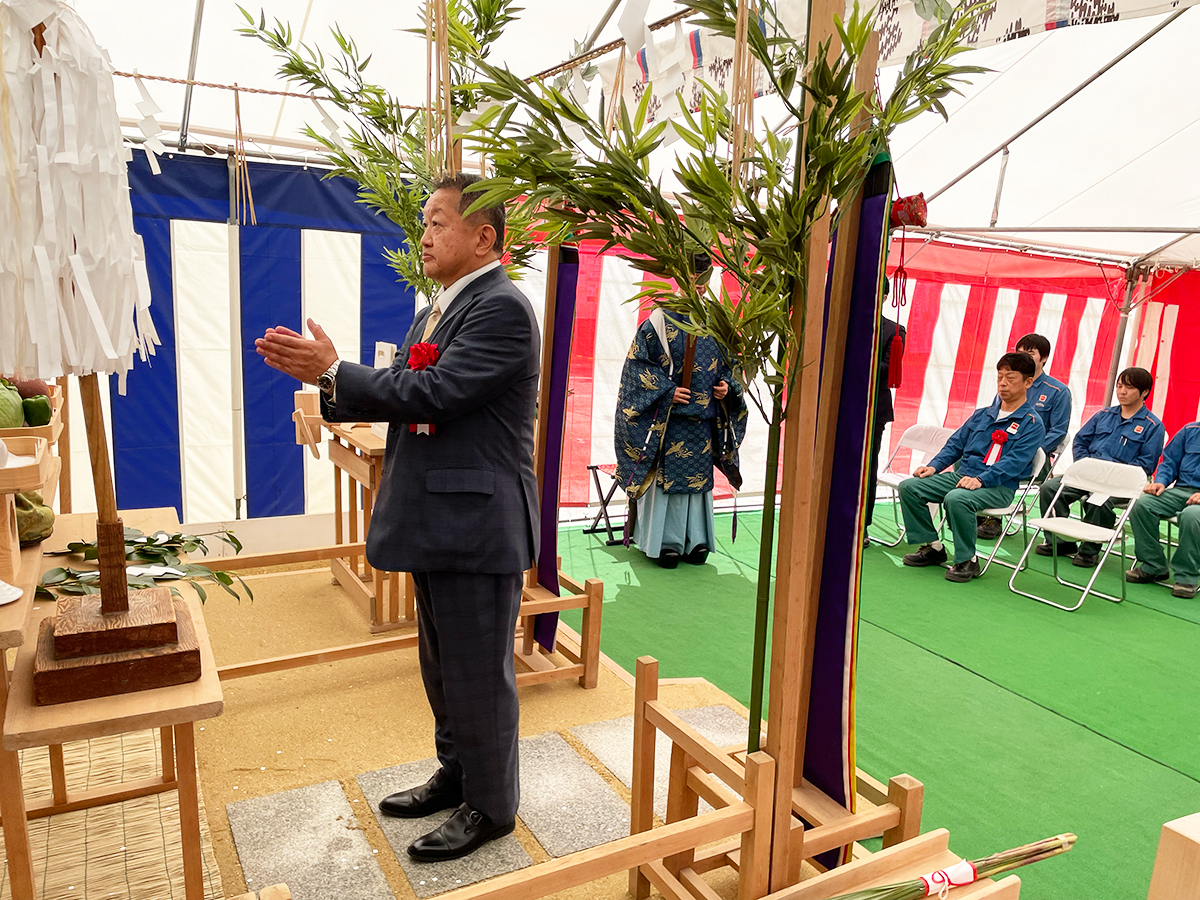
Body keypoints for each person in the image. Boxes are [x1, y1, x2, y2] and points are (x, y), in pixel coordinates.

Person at [256, 173, 539, 862]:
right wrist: (330, 380)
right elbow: (410, 391)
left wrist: (336, 369)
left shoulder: (502, 308)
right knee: (443, 669)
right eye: (425, 220)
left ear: (484, 236)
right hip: (442, 519)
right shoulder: (438, 308)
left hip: (478, 525)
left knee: (478, 674)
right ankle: (458, 773)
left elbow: (437, 391)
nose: (424, 233)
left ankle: (492, 807)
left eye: (438, 220)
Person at [614, 254, 747, 568]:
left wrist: (727, 387)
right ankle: (663, 542)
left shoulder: (718, 319)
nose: (700, 286)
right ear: (682, 276)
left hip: (703, 419)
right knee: (666, 481)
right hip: (668, 420)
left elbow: (734, 365)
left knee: (698, 482)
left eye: (704, 279)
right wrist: (666, 391)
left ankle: (696, 540)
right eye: (694, 277)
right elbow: (636, 368)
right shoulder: (661, 319)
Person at [898, 352, 1045, 582]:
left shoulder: (1032, 423)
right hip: (964, 476)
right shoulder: (982, 415)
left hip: (998, 486)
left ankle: (968, 560)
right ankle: (934, 547)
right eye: (999, 377)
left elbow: (1014, 462)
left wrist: (982, 479)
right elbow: (955, 444)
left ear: (1028, 382)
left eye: (1011, 377)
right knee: (910, 487)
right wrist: (934, 466)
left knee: (957, 498)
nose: (1003, 383)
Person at [1037, 367, 1163, 567]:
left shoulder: (1152, 426)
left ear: (1144, 392)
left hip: (1119, 484)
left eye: (1129, 388)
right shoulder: (1103, 415)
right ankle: (1059, 542)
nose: (1121, 391)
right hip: (1089, 476)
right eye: (1119, 386)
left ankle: (1089, 550)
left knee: (1098, 501)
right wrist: (1087, 468)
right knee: (1049, 489)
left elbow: (1146, 464)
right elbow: (1080, 442)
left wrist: (1113, 476)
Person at [977, 333, 1070, 539]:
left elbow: (1059, 431)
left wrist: (1032, 449)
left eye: (1030, 353)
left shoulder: (1058, 391)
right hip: (1000, 449)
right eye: (1019, 352)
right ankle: (975, 508)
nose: (1023, 357)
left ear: (1044, 358)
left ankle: (993, 519)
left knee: (1004, 463)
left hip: (1034, 456)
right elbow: (993, 418)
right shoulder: (1008, 384)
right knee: (970, 457)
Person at [1127, 421, 1200, 598]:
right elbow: (1170, 461)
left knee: (1192, 515)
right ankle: (1153, 565)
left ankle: (1186, 576)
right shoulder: (1190, 430)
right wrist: (1161, 481)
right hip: (1181, 490)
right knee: (1142, 504)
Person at [864, 286, 905, 546]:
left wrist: (858, 358)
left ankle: (861, 526)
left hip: (873, 408)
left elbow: (889, 369)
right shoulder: (840, 322)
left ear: (885, 297)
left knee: (866, 468)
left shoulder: (894, 330)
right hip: (837, 405)